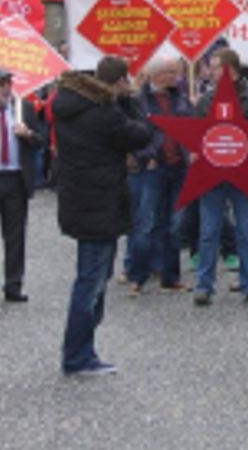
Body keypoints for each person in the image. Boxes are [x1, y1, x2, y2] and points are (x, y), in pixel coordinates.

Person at [54, 57, 152, 375]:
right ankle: (78, 355)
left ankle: (81, 351)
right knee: (91, 281)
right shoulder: (102, 111)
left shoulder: (72, 105)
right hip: (100, 203)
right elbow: (140, 134)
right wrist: (133, 100)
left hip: (83, 201)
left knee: (92, 277)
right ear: (119, 81)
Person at [193, 48, 248, 306]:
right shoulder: (205, 101)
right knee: (208, 231)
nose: (210, 72)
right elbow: (196, 134)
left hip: (244, 172)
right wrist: (193, 152)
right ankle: (204, 286)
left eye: (215, 67)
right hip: (212, 173)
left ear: (230, 70)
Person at [127, 57, 192, 294]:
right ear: (157, 75)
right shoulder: (138, 102)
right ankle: (137, 276)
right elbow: (132, 133)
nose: (177, 77)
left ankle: (170, 276)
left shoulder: (181, 98)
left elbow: (189, 126)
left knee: (173, 225)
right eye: (172, 72)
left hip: (179, 167)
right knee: (146, 223)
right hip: (153, 168)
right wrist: (146, 156)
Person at [0, 67, 44, 303]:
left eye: (8, 82)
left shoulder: (22, 109)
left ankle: (13, 285)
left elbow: (40, 141)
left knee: (15, 236)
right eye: (1, 83)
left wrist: (27, 134)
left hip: (15, 179)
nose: (6, 87)